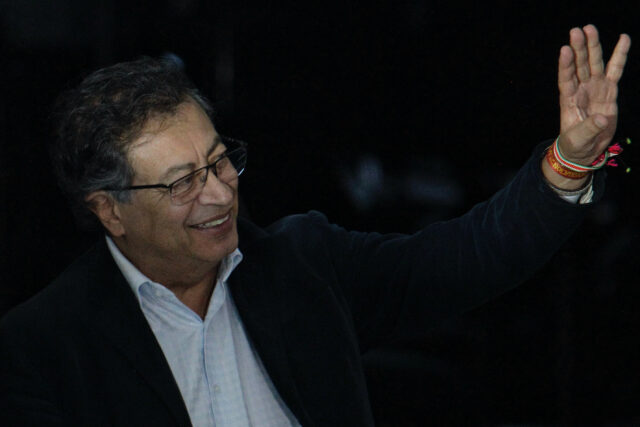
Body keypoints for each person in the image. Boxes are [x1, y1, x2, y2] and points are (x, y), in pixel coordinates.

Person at [0, 25, 630, 426]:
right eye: (181, 182)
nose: (219, 193)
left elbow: (467, 258)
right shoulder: (42, 347)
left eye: (220, 161)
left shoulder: (304, 265)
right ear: (109, 210)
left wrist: (569, 161)